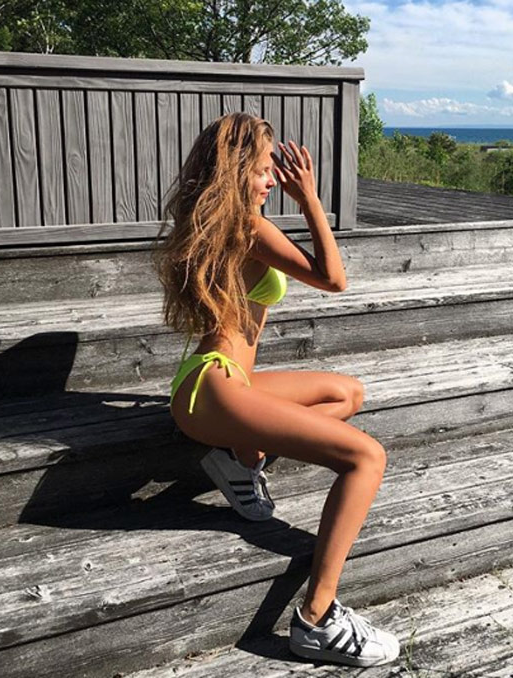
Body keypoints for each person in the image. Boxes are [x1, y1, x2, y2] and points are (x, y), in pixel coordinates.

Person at [152, 112, 400, 667]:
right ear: (236, 170)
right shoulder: (246, 226)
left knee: (347, 394)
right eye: (264, 170)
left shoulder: (223, 223)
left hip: (220, 382)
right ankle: (317, 618)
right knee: (366, 457)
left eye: (274, 171)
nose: (272, 180)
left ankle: (241, 460)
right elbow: (334, 279)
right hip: (214, 387)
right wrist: (309, 200)